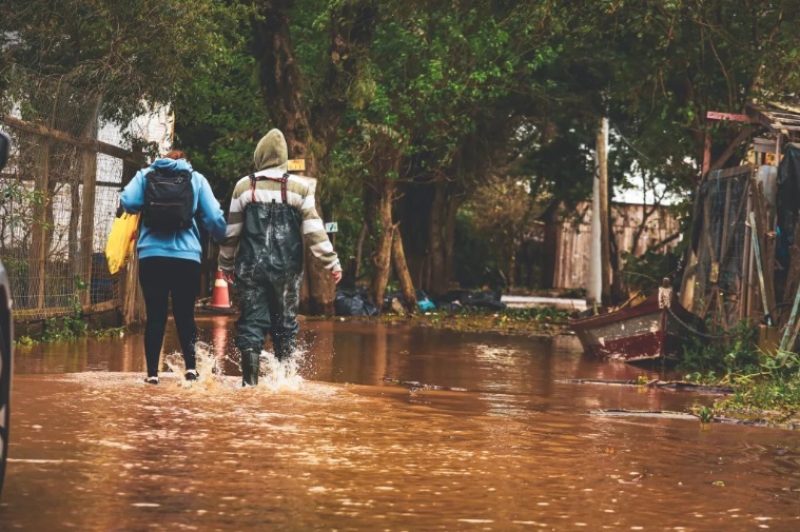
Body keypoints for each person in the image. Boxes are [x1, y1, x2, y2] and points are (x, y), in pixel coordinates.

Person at [219, 129, 342, 386]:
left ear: (260, 155)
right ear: (284, 157)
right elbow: (313, 229)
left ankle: (249, 385)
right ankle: (283, 387)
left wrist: (225, 264)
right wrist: (331, 261)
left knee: (251, 324)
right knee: (285, 326)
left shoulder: (244, 186)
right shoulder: (300, 188)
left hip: (251, 268)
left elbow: (231, 232)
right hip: (287, 271)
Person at [121, 150, 226, 384]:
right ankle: (190, 370)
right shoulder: (195, 179)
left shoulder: (145, 175)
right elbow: (214, 217)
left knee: (155, 315)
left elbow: (127, 201)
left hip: (151, 256)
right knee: (185, 314)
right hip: (186, 258)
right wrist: (224, 238)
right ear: (185, 160)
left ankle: (151, 374)